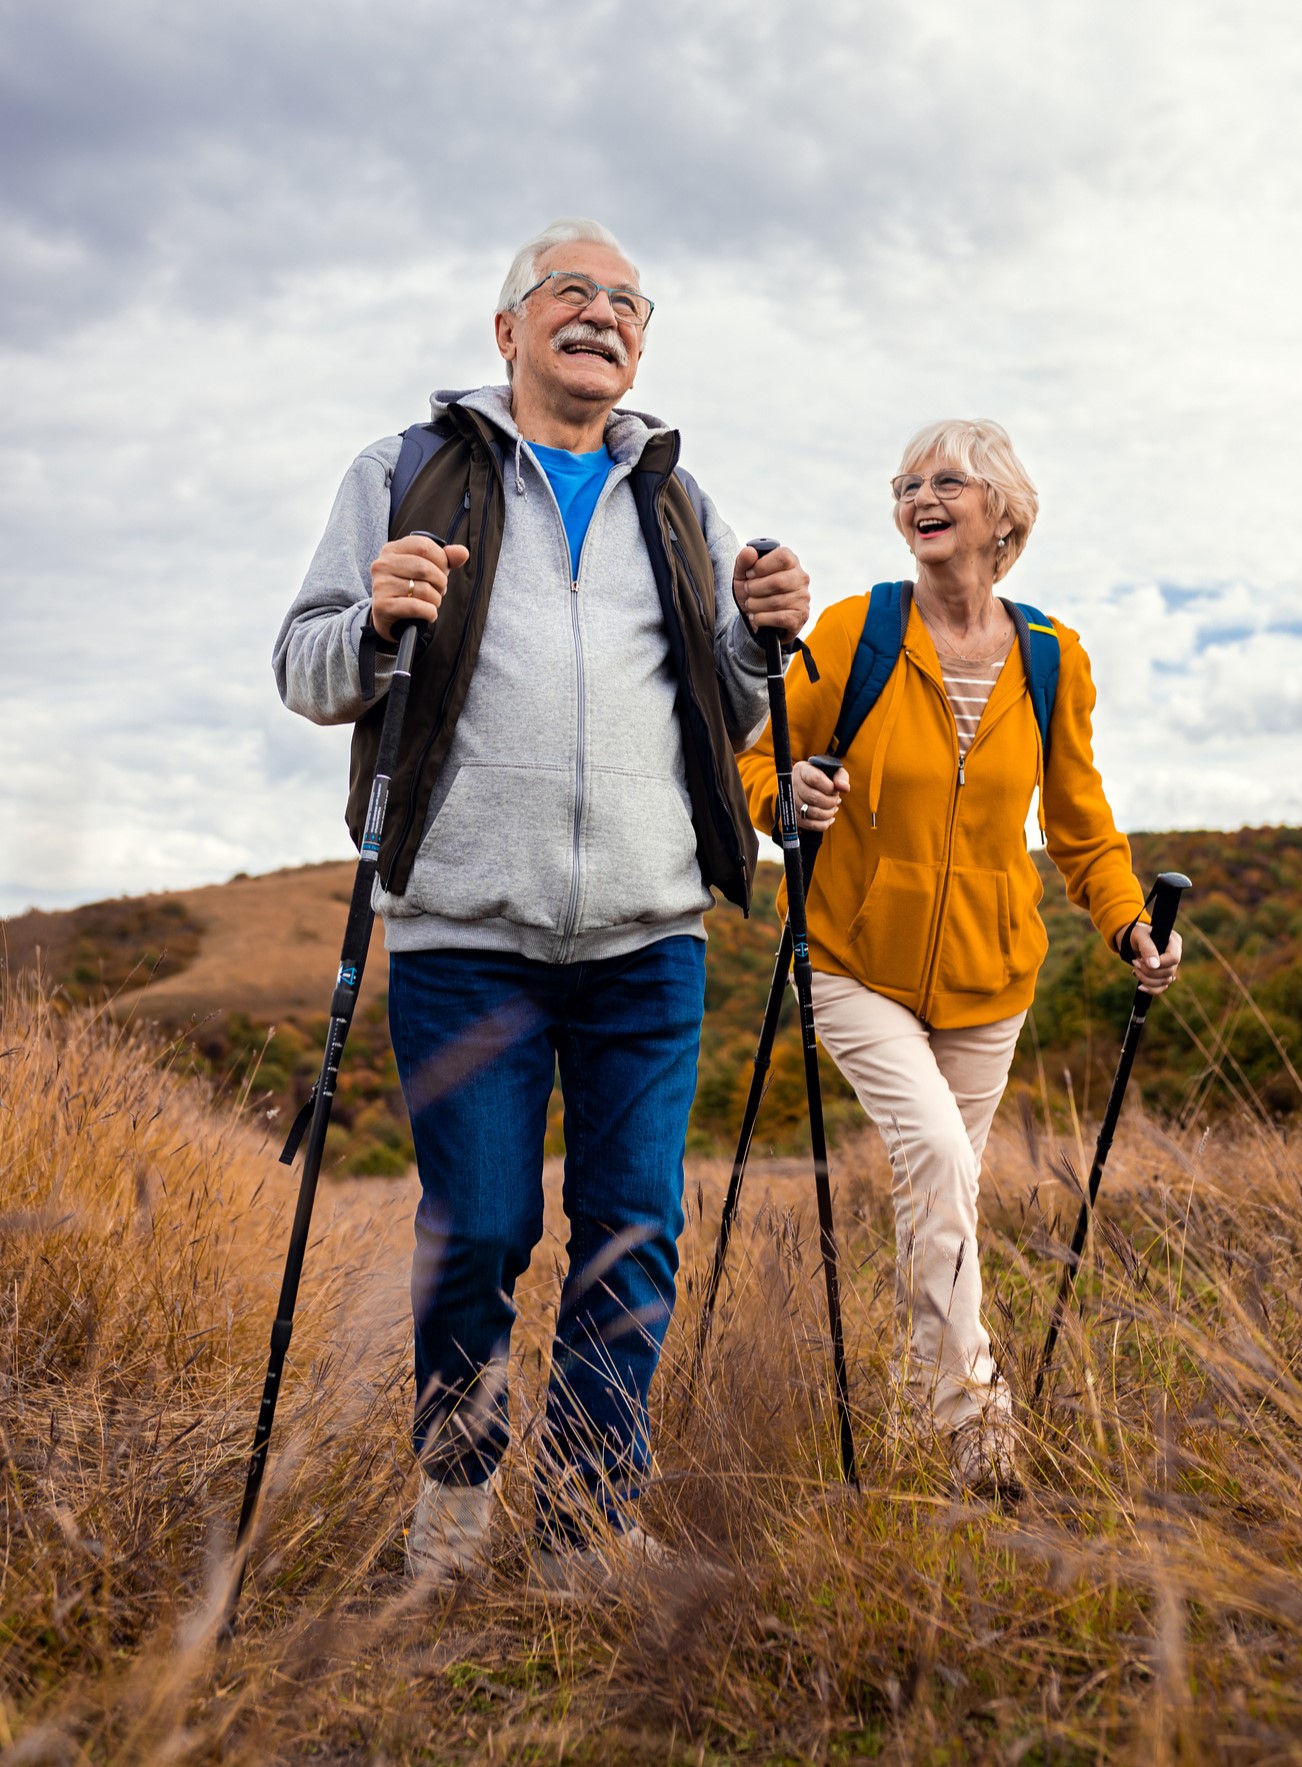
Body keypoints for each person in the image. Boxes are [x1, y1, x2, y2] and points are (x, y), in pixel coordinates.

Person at [274, 218, 810, 1584]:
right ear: (505, 327)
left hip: (649, 936)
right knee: (481, 1231)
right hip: (465, 930)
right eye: (570, 291)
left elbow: (734, 706)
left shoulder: (682, 502)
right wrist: (371, 616)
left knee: (632, 1233)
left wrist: (760, 636)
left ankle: (586, 1525)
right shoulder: (405, 471)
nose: (603, 313)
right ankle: (453, 1501)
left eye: (629, 300)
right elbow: (306, 663)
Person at [736, 419, 1180, 1495]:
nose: (919, 496)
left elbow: (1080, 827)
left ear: (1003, 513)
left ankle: (911, 1413)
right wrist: (786, 800)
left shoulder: (1050, 656)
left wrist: (1127, 925)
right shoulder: (854, 633)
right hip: (851, 956)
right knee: (935, 1159)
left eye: (946, 480)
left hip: (991, 979)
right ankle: (980, 1436)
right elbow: (762, 762)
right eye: (904, 484)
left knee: (944, 1194)